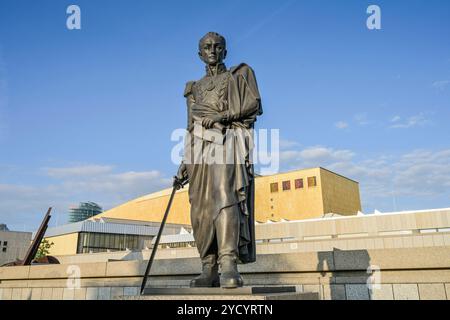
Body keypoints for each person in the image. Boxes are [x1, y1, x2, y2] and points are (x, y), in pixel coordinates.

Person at [174, 32, 263, 288]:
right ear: (199, 53)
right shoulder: (194, 87)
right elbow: (190, 126)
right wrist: (184, 162)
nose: (212, 50)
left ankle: (228, 264)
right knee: (200, 206)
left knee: (225, 196)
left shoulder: (239, 75)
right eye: (207, 47)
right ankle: (208, 267)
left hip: (226, 139)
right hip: (198, 149)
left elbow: (253, 104)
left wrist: (222, 117)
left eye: (217, 47)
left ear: (225, 51)